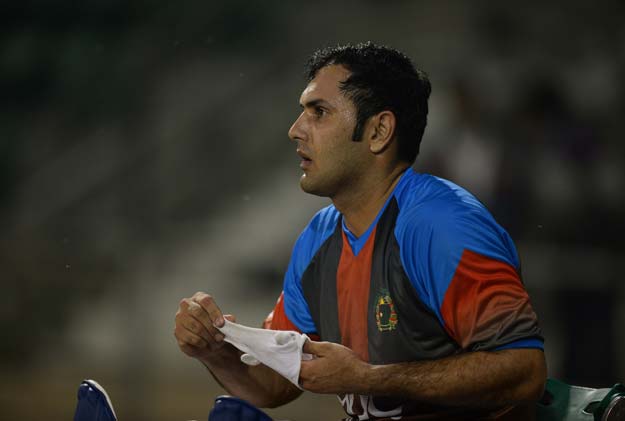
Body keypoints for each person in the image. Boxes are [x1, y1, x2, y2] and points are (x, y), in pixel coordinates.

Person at [174, 42, 547, 420]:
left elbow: (524, 371)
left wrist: (369, 378)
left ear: (379, 131)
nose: (295, 130)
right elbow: (273, 385)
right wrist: (214, 350)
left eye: (319, 112)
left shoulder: (440, 225)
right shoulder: (318, 238)